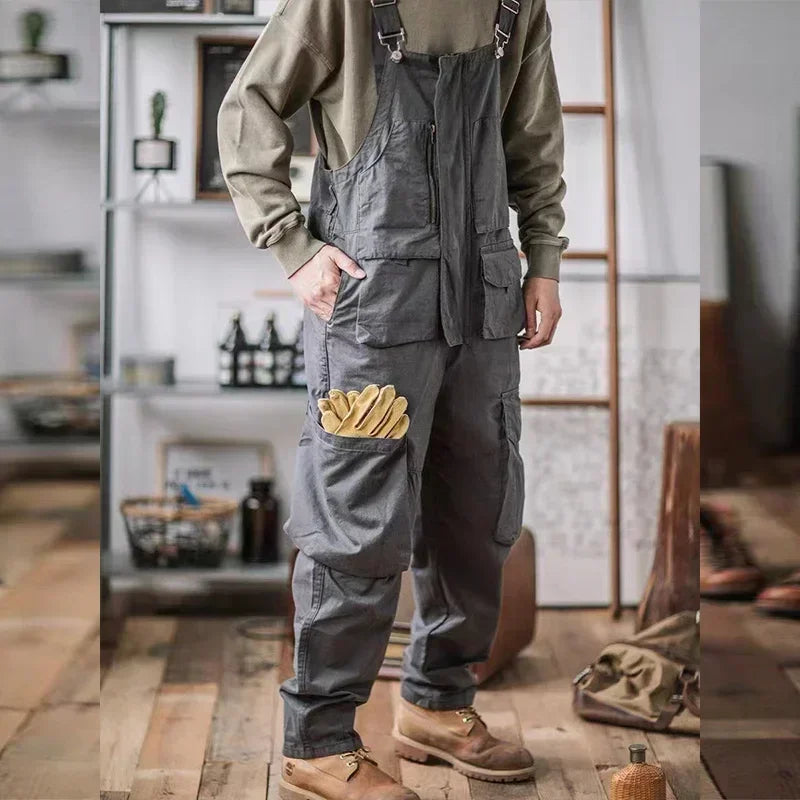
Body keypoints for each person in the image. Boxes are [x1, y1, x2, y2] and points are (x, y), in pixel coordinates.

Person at [219, 1, 567, 797]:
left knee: (477, 513)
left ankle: (437, 705)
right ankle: (319, 743)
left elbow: (533, 135)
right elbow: (248, 107)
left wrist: (543, 257)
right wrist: (291, 244)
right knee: (358, 523)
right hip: (373, 306)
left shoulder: (517, 5)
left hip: (483, 298)